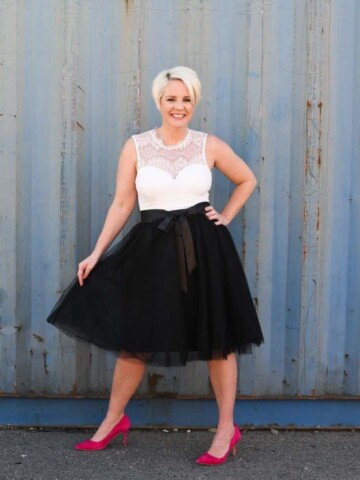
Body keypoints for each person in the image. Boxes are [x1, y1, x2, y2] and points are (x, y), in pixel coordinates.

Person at [47, 66, 264, 466]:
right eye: (170, 99)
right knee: (137, 340)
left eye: (186, 99)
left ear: (194, 102)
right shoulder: (137, 146)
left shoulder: (209, 145)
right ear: (158, 102)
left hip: (204, 251)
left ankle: (225, 430)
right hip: (151, 251)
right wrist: (95, 253)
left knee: (218, 340)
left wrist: (226, 217)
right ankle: (113, 421)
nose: (178, 106)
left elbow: (247, 179)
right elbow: (122, 204)